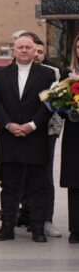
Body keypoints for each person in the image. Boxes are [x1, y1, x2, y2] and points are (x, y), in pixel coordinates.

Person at [0, 32, 56, 243]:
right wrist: (8, 124)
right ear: (14, 50)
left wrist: (32, 125)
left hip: (35, 138)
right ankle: (7, 227)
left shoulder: (46, 75)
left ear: (35, 51)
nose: (25, 51)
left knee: (37, 186)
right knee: (9, 186)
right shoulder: (1, 74)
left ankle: (37, 228)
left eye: (29, 47)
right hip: (9, 138)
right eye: (21, 47)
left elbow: (49, 104)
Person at [32, 34, 64, 238]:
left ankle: (46, 220)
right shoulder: (15, 71)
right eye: (32, 50)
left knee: (45, 177)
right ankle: (26, 216)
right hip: (22, 129)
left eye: (40, 52)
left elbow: (58, 103)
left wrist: (54, 129)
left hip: (46, 131)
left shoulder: (53, 73)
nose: (35, 54)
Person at [60, 32, 79, 244]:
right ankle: (75, 228)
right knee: (75, 182)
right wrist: (68, 109)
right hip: (74, 133)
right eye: (78, 47)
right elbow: (56, 105)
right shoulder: (68, 72)